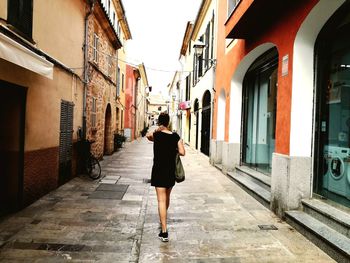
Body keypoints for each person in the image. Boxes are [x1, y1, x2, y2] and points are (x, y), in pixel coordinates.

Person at [146, 112, 185, 242]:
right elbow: (182, 152)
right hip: (170, 171)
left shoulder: (156, 135)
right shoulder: (175, 136)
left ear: (159, 122)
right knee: (166, 198)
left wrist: (158, 129)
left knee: (160, 200)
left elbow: (148, 136)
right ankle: (163, 220)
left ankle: (164, 231)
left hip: (158, 171)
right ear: (168, 122)